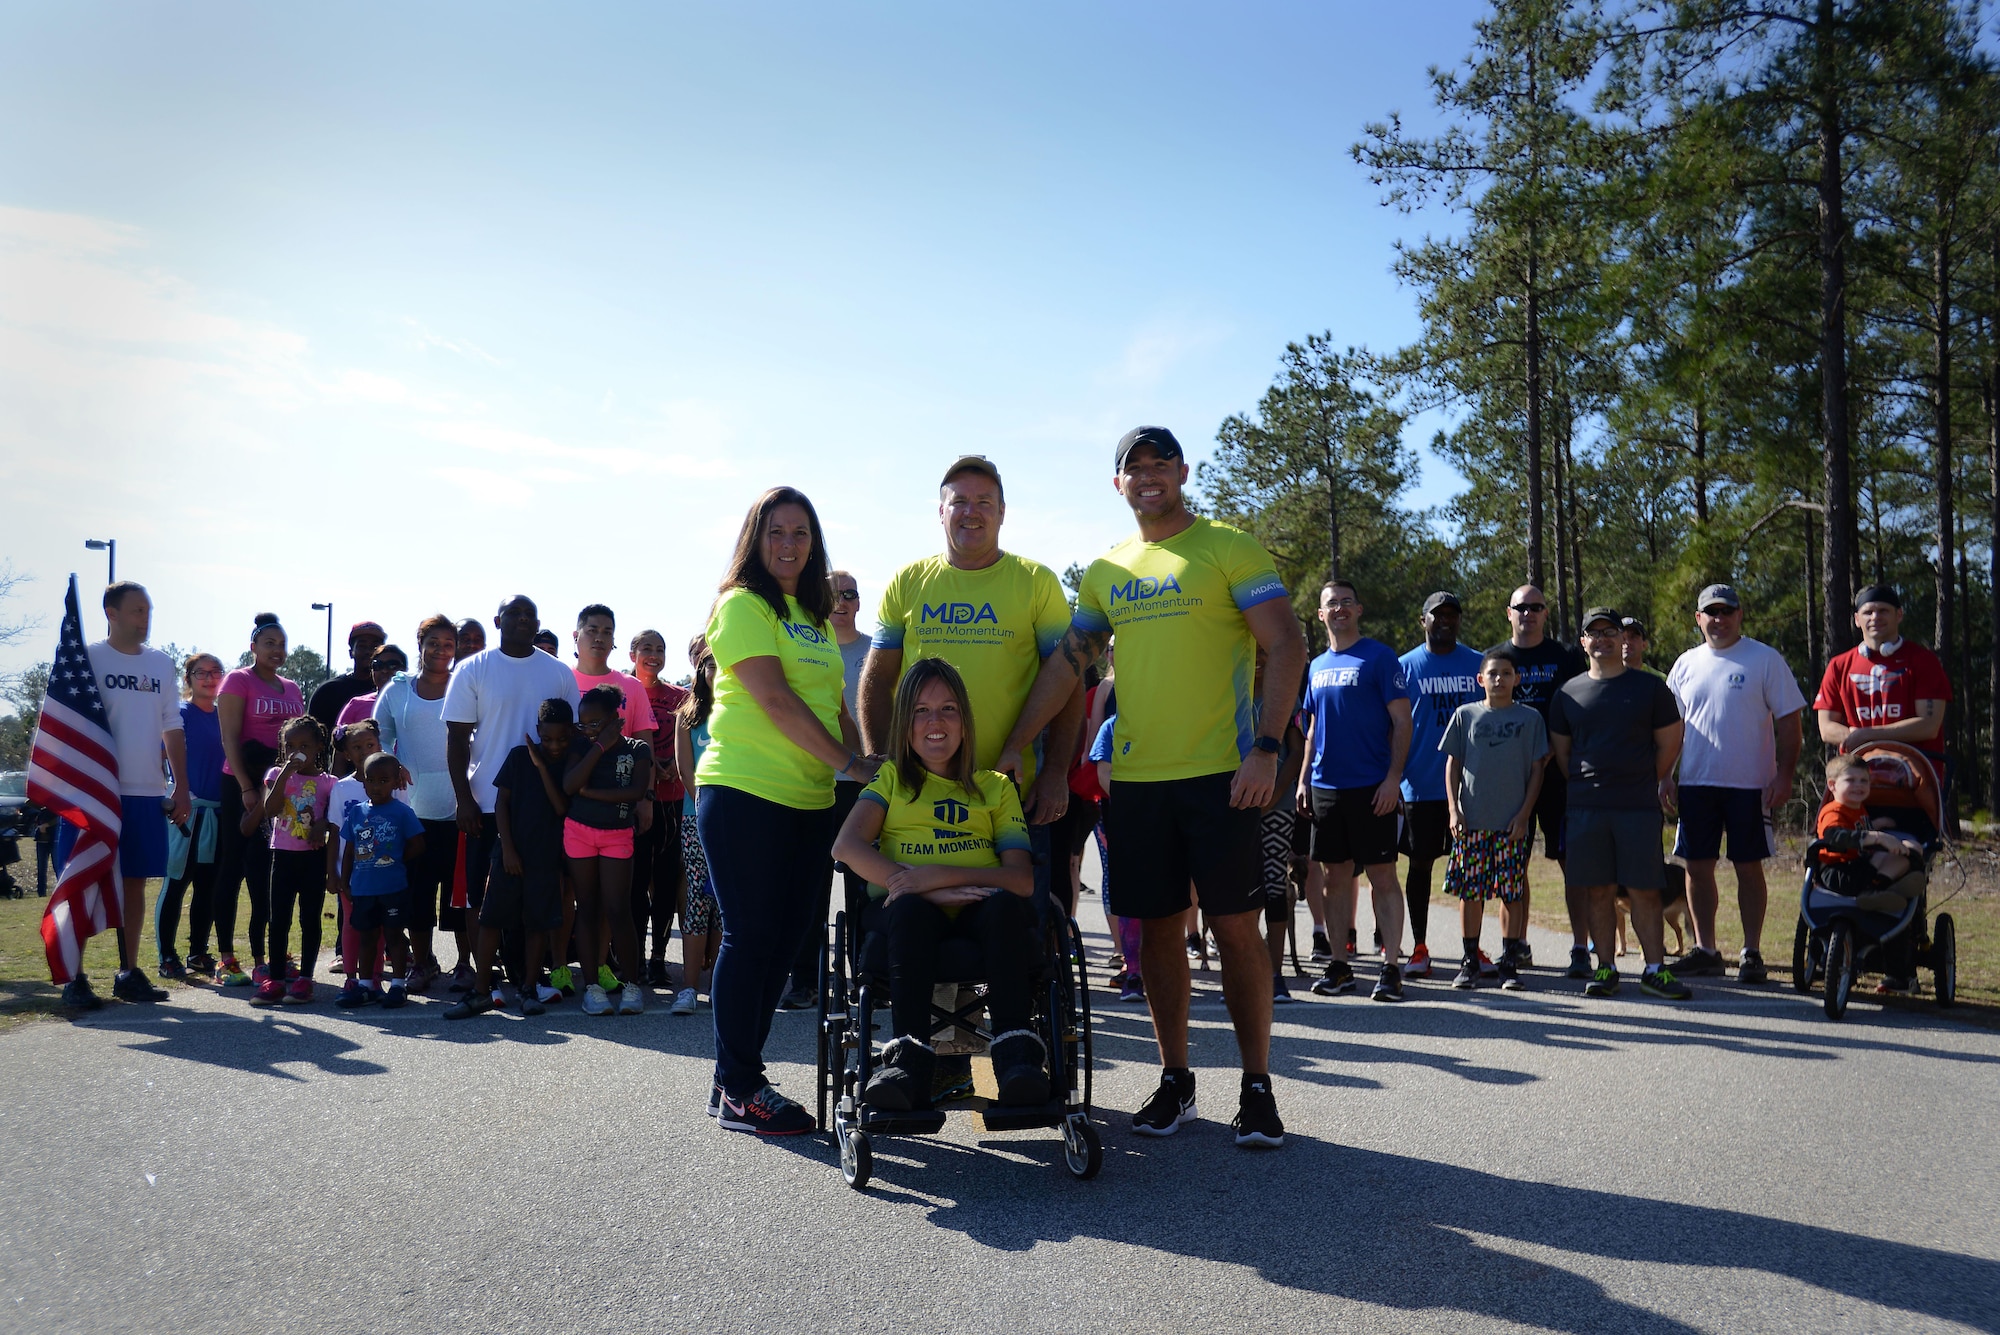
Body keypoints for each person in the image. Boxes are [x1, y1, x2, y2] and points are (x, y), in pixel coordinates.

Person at [997, 426, 1307, 1149]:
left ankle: (1256, 1085)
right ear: (1118, 484)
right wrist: (1018, 741)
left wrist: (1266, 748)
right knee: (1160, 932)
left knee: (1235, 928)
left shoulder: (1229, 546)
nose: (1147, 476)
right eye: (1133, 467)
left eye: (1159, 464)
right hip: (1138, 781)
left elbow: (1287, 643)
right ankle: (1177, 1079)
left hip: (1224, 776)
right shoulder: (1107, 568)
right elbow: (1071, 662)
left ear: (1182, 471)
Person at [699, 486, 873, 1137]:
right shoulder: (742, 604)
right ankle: (741, 1086)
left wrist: (871, 762)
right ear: (755, 538)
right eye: (776, 531)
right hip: (744, 791)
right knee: (750, 936)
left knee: (784, 940)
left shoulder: (815, 614)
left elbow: (833, 705)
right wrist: (847, 762)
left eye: (801, 533)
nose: (789, 544)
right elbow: (774, 700)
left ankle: (733, 1079)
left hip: (810, 802)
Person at [832, 658, 1047, 1110]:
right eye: (920, 711)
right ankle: (907, 1063)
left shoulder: (995, 787)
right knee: (909, 911)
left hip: (981, 911)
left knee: (1007, 906)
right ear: (904, 723)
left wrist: (940, 876)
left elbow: (1021, 879)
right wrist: (917, 888)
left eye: (948, 709)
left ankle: (1016, 1059)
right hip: (907, 914)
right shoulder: (889, 779)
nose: (935, 722)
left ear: (964, 722)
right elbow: (846, 847)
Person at [1663, 584, 1806, 984]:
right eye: (1711, 612)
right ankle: (1706, 950)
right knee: (1696, 868)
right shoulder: (1686, 664)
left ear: (1740, 615)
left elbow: (1789, 724)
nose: (1719, 619)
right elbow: (1673, 729)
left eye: (1727, 611)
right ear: (1698, 618)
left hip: (1750, 786)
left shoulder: (1764, 659)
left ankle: (1752, 952)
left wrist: (1784, 775)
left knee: (1748, 867)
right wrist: (1665, 775)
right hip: (1696, 784)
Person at [56, 582, 189, 1008]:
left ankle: (128, 972)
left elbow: (173, 727)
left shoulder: (162, 664)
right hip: (92, 792)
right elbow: (62, 721)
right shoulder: (87, 658)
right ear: (110, 613)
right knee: (83, 881)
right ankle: (74, 979)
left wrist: (181, 787)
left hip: (145, 792)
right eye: (136, 610)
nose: (145, 618)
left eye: (148, 610)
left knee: (135, 883)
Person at [442, 596, 583, 992]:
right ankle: (484, 979)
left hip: (542, 807)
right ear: (497, 620)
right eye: (514, 614)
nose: (523, 619)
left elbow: (573, 738)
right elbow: (455, 739)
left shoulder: (557, 672)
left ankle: (527, 976)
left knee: (533, 895)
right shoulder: (473, 668)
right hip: (486, 803)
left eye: (530, 615)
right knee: (482, 897)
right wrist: (463, 799)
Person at [1548, 608, 1689, 1001]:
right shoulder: (1568, 693)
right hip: (1586, 808)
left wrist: (1641, 778)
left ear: (1622, 639)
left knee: (1645, 890)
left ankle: (1655, 970)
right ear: (1583, 643)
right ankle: (1606, 968)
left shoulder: (1649, 689)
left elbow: (1670, 742)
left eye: (1610, 632)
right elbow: (1563, 755)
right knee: (1599, 890)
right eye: (1594, 633)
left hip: (1637, 806)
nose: (1603, 639)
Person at [1297, 580, 1414, 1001]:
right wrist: (1304, 779)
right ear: (1321, 614)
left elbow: (1403, 722)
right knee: (1333, 877)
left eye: (1348, 601)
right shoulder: (1315, 666)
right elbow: (1312, 730)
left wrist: (1392, 780)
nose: (1341, 608)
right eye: (1333, 603)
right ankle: (1341, 966)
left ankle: (1391, 968)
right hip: (1327, 787)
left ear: (1359, 610)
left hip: (1372, 787)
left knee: (1383, 876)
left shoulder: (1380, 658)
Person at [778, 567, 878, 1011]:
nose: (842, 601)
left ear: (859, 602)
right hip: (812, 781)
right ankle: (805, 981)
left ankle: (871, 978)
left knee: (867, 886)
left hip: (866, 787)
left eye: (850, 594)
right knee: (808, 889)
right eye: (833, 593)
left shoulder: (877, 652)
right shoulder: (804, 646)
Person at [446, 698, 574, 1019]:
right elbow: (501, 804)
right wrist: (508, 849)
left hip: (545, 858)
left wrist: (543, 765)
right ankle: (481, 989)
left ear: (571, 734)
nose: (554, 745)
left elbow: (561, 807)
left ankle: (528, 989)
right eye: (547, 739)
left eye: (561, 739)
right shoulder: (518, 757)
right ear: (537, 732)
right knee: (490, 920)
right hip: (508, 854)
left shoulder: (570, 763)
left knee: (536, 924)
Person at [1491, 584, 1588, 977]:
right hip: (1510, 779)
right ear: (1509, 613)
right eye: (1521, 607)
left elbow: (1583, 707)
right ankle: (1515, 945)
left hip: (1559, 776)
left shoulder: (1565, 657)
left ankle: (1582, 946)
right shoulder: (1496, 658)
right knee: (1512, 865)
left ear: (1546, 614)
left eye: (1536, 607)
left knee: (1572, 864)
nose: (1528, 614)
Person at [1441, 648, 1548, 990]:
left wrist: (1524, 814)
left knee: (1511, 892)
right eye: (1492, 673)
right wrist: (1453, 809)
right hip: (1472, 821)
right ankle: (1470, 960)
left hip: (1511, 823)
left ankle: (1509, 962)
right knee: (1470, 893)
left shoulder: (1530, 719)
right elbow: (1453, 765)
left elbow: (1537, 770)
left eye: (1506, 673)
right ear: (1480, 679)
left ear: (1517, 679)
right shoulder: (1465, 715)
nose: (1499, 679)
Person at [215, 613, 305, 988]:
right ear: (253, 646)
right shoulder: (238, 680)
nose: (277, 650)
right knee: (231, 870)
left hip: (278, 786)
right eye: (269, 643)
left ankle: (272, 953)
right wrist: (246, 788)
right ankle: (226, 958)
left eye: (282, 644)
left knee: (269, 871)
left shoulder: (292, 688)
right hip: (242, 782)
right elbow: (229, 739)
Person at [1397, 591, 1484, 980]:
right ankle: (1418, 946)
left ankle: (1472, 948)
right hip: (1421, 787)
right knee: (1419, 867)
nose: (1446, 620)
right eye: (1438, 615)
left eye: (1452, 615)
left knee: (1470, 871)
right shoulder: (1404, 667)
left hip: (1472, 790)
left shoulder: (1480, 664)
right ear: (1424, 621)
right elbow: (1391, 728)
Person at [373, 615, 461, 991]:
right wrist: (392, 767)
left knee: (459, 895)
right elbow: (377, 737)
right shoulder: (397, 690)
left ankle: (467, 966)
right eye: (434, 642)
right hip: (412, 809)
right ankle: (422, 964)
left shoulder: (465, 685)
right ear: (420, 644)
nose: (441, 650)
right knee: (418, 892)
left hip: (461, 805)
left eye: (449, 644)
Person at [564, 684, 654, 1016]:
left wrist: (591, 794)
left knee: (618, 910)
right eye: (583, 724)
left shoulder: (638, 749)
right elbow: (570, 785)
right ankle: (592, 989)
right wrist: (599, 745)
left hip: (618, 834)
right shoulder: (581, 746)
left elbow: (635, 792)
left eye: (595, 724)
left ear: (616, 719)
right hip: (579, 833)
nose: (587, 730)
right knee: (587, 909)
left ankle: (632, 985)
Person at [1814, 584, 1952, 792]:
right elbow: (1826, 728)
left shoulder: (1923, 661)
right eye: (1868, 612)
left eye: (1883, 611)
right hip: (1856, 781)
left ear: (1899, 615)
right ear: (1857, 620)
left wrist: (1867, 735)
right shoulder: (1839, 666)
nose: (1875, 617)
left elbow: (1929, 725)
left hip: (1915, 782)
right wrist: (1860, 739)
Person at [252, 714, 336, 1006]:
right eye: (290, 745)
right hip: (283, 857)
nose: (296, 751)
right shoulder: (276, 775)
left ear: (318, 748)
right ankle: (275, 978)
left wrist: (322, 824)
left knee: (310, 918)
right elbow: (271, 810)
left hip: (312, 859)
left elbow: (335, 820)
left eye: (304, 745)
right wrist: (286, 774)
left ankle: (305, 979)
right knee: (278, 920)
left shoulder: (329, 783)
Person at [332, 752, 425, 1009]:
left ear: (396, 781)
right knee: (367, 937)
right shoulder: (357, 813)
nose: (377, 786)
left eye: (384, 780)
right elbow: (349, 850)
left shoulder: (402, 812)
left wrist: (395, 860)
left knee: (394, 937)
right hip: (363, 889)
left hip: (393, 887)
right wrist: (346, 882)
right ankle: (366, 986)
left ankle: (397, 985)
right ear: (364, 783)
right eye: (371, 780)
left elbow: (418, 844)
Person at [158, 653, 227, 982]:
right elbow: (156, 756)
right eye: (202, 673)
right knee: (175, 883)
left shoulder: (225, 716)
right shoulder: (178, 715)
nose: (210, 678)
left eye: (216, 672)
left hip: (217, 812)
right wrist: (166, 794)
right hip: (186, 812)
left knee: (208, 888)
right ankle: (166, 956)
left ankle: (198, 951)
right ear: (189, 678)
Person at [629, 628, 690, 987]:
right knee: (635, 885)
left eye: (660, 649)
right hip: (636, 803)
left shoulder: (680, 697)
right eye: (646, 648)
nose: (653, 655)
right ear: (633, 653)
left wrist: (672, 764)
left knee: (666, 885)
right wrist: (650, 766)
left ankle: (658, 958)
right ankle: (632, 955)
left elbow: (693, 743)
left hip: (672, 802)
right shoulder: (624, 691)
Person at [673, 637, 722, 1017]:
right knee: (697, 900)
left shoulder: (744, 711)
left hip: (738, 823)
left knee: (728, 904)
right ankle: (688, 988)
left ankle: (721, 988)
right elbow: (685, 769)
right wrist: (707, 809)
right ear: (700, 672)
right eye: (710, 666)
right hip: (696, 818)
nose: (716, 672)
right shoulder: (687, 716)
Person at [308, 621, 388, 754]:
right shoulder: (328, 691)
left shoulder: (392, 692)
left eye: (375, 647)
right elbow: (313, 738)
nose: (369, 651)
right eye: (362, 646)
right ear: (351, 652)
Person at [336, 644, 407, 728]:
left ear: (404, 670)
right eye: (378, 665)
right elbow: (340, 738)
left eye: (392, 665)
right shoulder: (356, 704)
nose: (384, 670)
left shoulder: (414, 701)